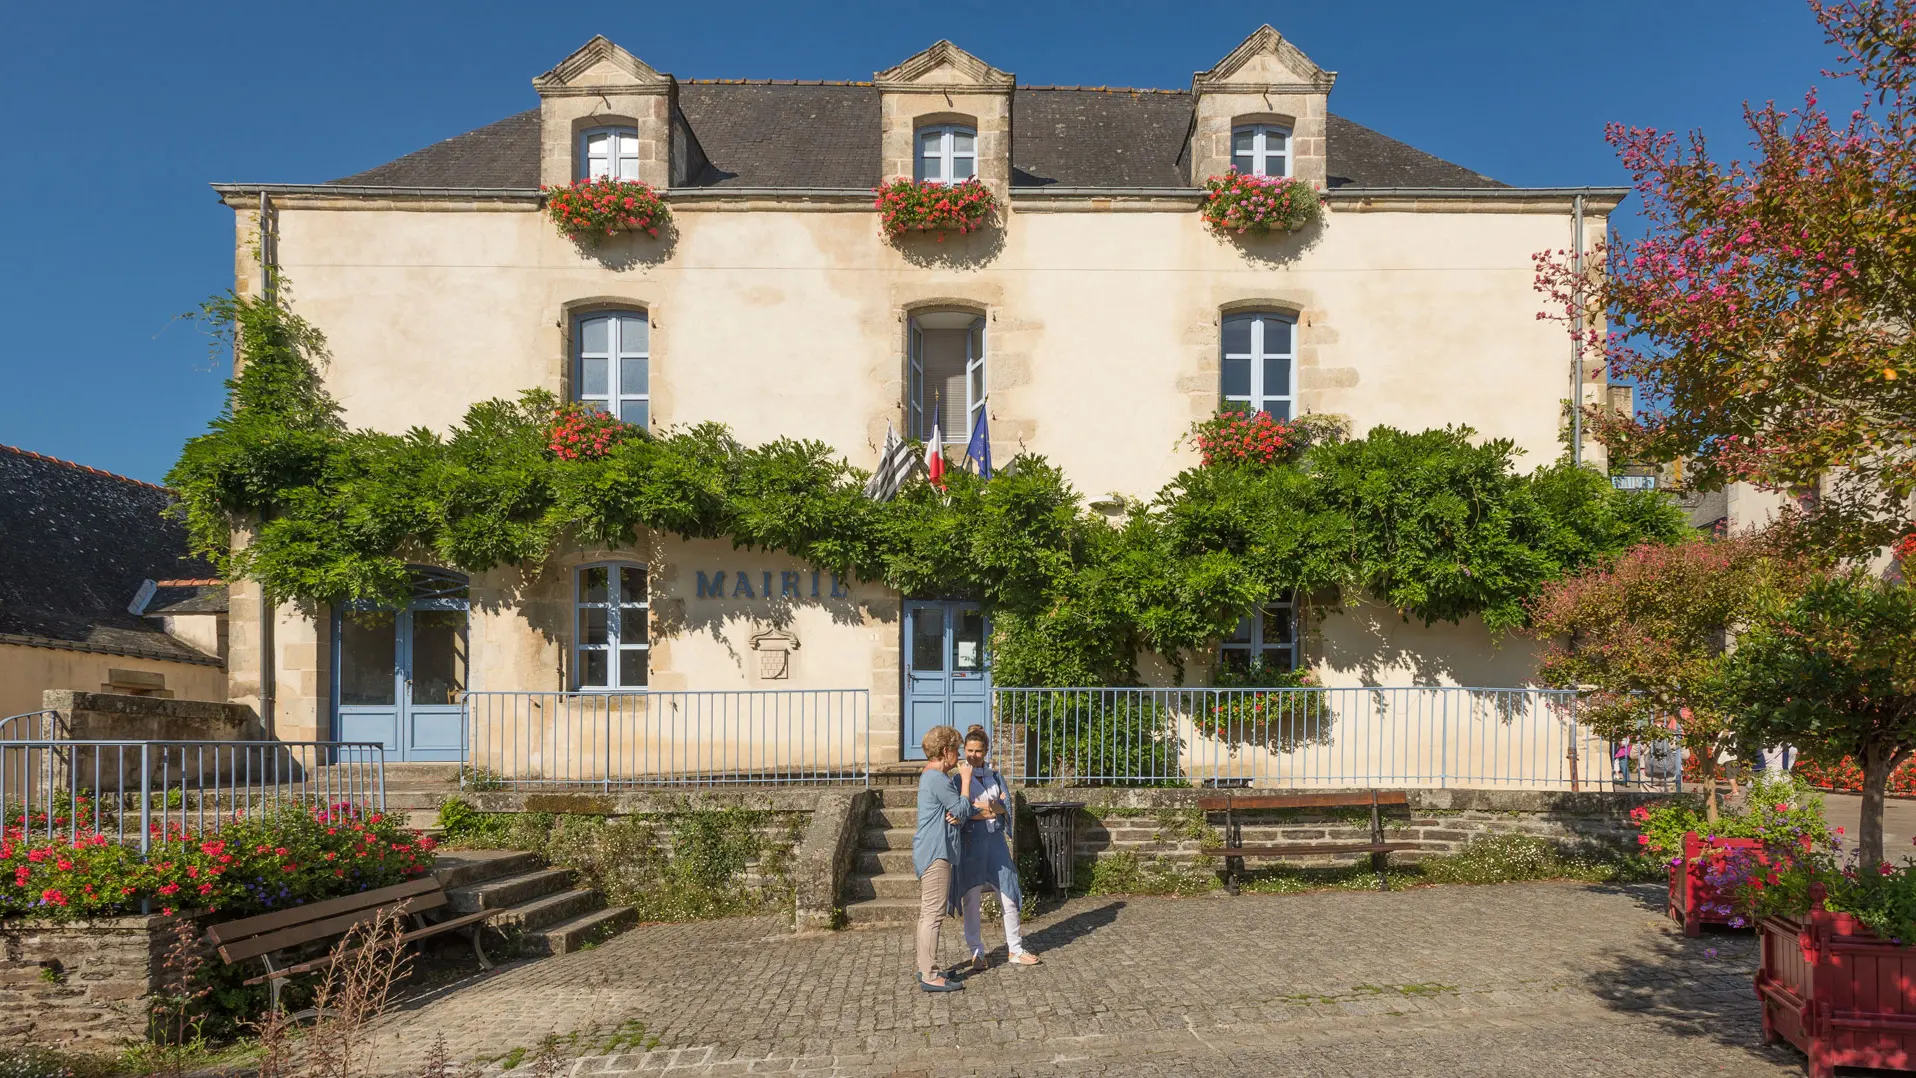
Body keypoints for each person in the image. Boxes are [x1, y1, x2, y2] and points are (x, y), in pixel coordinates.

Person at [954, 725, 1039, 970]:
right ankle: (976, 951)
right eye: (969, 750)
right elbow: (962, 812)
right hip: (971, 843)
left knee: (1009, 893)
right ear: (964, 750)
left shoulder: (995, 776)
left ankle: (1015, 948)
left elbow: (1005, 809)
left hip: (996, 844)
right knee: (971, 897)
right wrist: (987, 809)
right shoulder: (959, 779)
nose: (973, 755)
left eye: (978, 751)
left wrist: (984, 809)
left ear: (986, 751)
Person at [912, 724, 973, 992]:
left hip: (930, 848)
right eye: (956, 750)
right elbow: (961, 808)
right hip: (937, 852)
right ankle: (930, 975)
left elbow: (954, 814)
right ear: (946, 750)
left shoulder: (930, 777)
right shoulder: (937, 778)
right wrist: (967, 782)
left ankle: (925, 966)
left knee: (928, 913)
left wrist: (955, 816)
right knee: (934, 915)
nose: (958, 757)